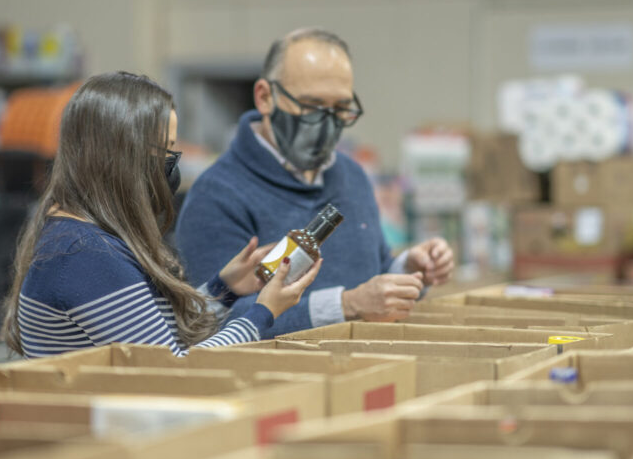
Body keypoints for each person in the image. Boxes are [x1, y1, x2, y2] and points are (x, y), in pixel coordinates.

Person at [1, 72, 321, 358]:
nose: (171, 165)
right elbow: (173, 369)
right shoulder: (85, 255)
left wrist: (226, 288)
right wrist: (264, 311)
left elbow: (153, 332)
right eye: (165, 152)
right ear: (123, 157)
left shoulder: (80, 237)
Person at [176, 28, 455, 336]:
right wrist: (346, 305)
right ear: (265, 97)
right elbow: (213, 324)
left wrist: (408, 270)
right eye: (311, 106)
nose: (326, 123)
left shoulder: (352, 177)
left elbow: (372, 272)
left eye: (340, 109)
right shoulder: (216, 196)